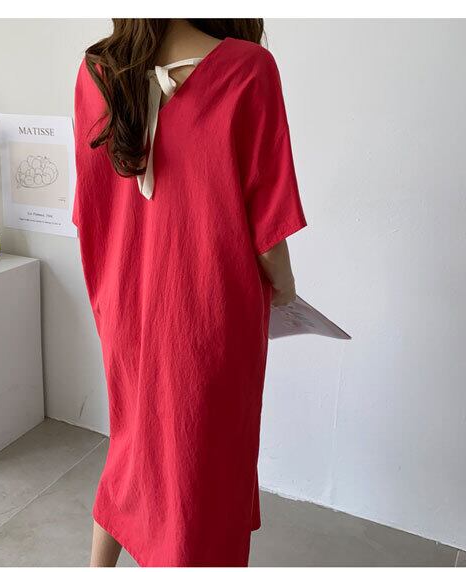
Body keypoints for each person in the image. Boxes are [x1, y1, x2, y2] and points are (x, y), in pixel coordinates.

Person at [73, 18, 306, 567]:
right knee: (201, 469)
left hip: (124, 304)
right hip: (207, 315)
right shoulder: (249, 70)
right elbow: (268, 231)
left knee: (132, 442)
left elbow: (89, 211)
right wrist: (287, 290)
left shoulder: (98, 71)